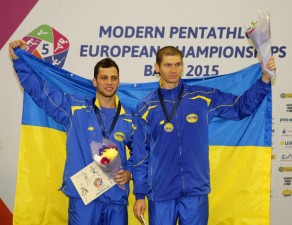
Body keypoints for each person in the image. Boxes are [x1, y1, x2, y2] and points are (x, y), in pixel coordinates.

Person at [132, 46, 276, 225]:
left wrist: (264, 79)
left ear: (183, 65)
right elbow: (139, 156)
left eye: (178, 64)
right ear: (156, 67)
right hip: (161, 193)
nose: (174, 70)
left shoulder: (201, 97)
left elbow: (241, 107)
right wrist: (139, 195)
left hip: (195, 191)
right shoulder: (145, 108)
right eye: (168, 65)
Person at [9, 40, 134, 225]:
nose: (109, 82)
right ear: (95, 81)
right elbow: (42, 93)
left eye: (113, 78)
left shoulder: (129, 117)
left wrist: (129, 172)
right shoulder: (75, 108)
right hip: (84, 198)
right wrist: (19, 61)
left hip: (115, 198)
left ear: (118, 81)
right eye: (104, 77)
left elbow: (143, 152)